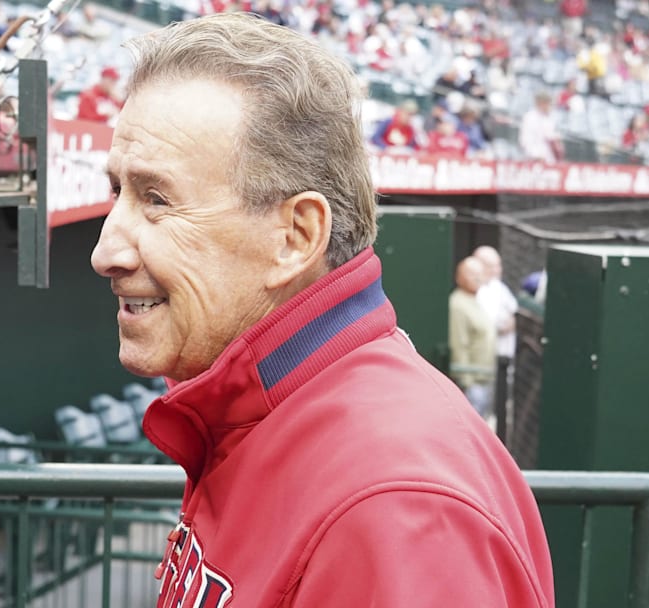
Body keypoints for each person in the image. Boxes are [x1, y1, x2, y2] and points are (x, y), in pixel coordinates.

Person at [90, 13, 553, 607]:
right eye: (117, 191)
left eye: (156, 199)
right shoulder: (265, 411)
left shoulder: (398, 509)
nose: (106, 252)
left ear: (296, 237)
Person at [449, 256, 497, 418]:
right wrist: (467, 383)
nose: (477, 278)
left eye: (479, 274)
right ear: (459, 277)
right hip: (472, 383)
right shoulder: (458, 304)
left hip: (485, 379)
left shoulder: (476, 300)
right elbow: (459, 345)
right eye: (471, 274)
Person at [474, 245, 518, 361]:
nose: (496, 270)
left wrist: (512, 323)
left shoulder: (499, 286)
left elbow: (514, 311)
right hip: (484, 356)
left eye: (498, 265)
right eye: (491, 266)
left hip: (505, 353)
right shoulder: (475, 290)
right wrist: (501, 328)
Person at [519, 91, 561, 163]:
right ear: (540, 103)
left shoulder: (549, 118)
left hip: (548, 159)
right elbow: (525, 140)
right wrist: (536, 155)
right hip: (534, 159)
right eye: (546, 103)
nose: (549, 106)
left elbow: (551, 137)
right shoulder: (530, 117)